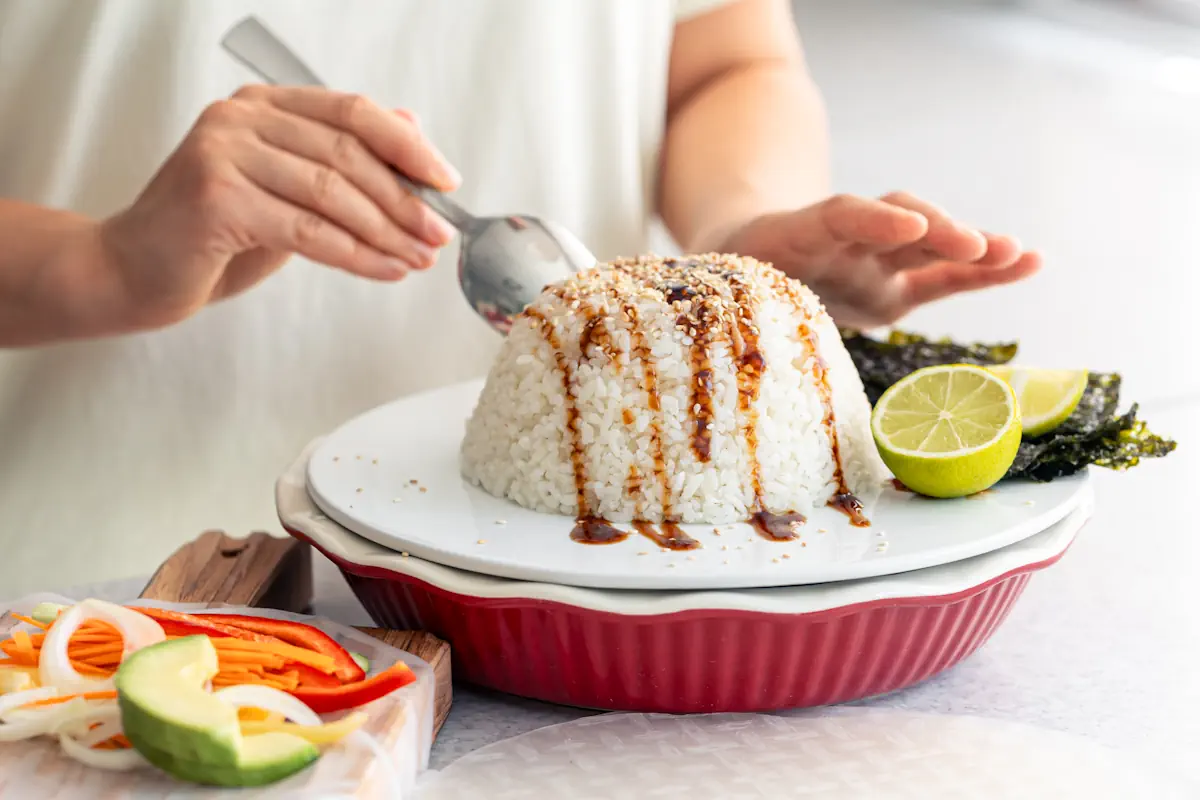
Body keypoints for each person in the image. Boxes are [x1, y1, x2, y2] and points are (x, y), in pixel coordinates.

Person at [0, 0, 1039, 594]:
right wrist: (100, 263)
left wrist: (738, 226)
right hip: (78, 599)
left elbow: (721, 52)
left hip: (600, 589)